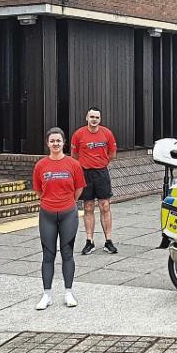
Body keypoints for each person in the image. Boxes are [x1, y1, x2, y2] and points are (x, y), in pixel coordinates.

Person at [33, 127, 86, 310]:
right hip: (47, 213)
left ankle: (68, 292)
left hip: (68, 213)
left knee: (67, 254)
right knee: (48, 255)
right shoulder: (40, 165)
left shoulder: (73, 164)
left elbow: (79, 188)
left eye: (58, 141)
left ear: (64, 143)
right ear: (47, 143)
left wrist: (69, 201)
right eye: (52, 141)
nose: (55, 144)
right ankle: (46, 295)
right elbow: (39, 189)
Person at [71, 107, 118, 255]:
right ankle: (89, 241)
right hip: (85, 173)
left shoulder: (107, 133)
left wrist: (101, 163)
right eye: (91, 117)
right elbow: (74, 155)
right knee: (88, 207)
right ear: (87, 117)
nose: (94, 120)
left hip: (102, 173)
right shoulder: (78, 134)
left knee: (105, 206)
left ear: (100, 119)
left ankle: (108, 241)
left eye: (97, 117)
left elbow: (112, 154)